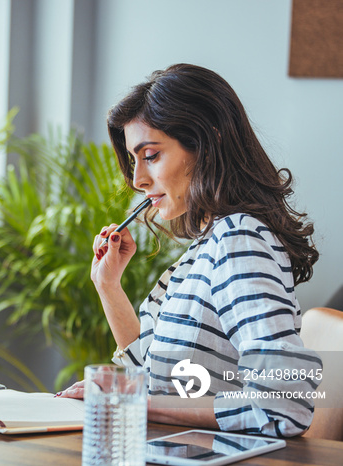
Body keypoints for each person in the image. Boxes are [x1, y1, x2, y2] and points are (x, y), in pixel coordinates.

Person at [57, 63, 321, 437]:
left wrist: (133, 401)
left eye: (150, 155)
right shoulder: (207, 246)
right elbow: (155, 377)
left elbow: (285, 402)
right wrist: (108, 286)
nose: (137, 180)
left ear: (205, 144)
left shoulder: (237, 240)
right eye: (134, 161)